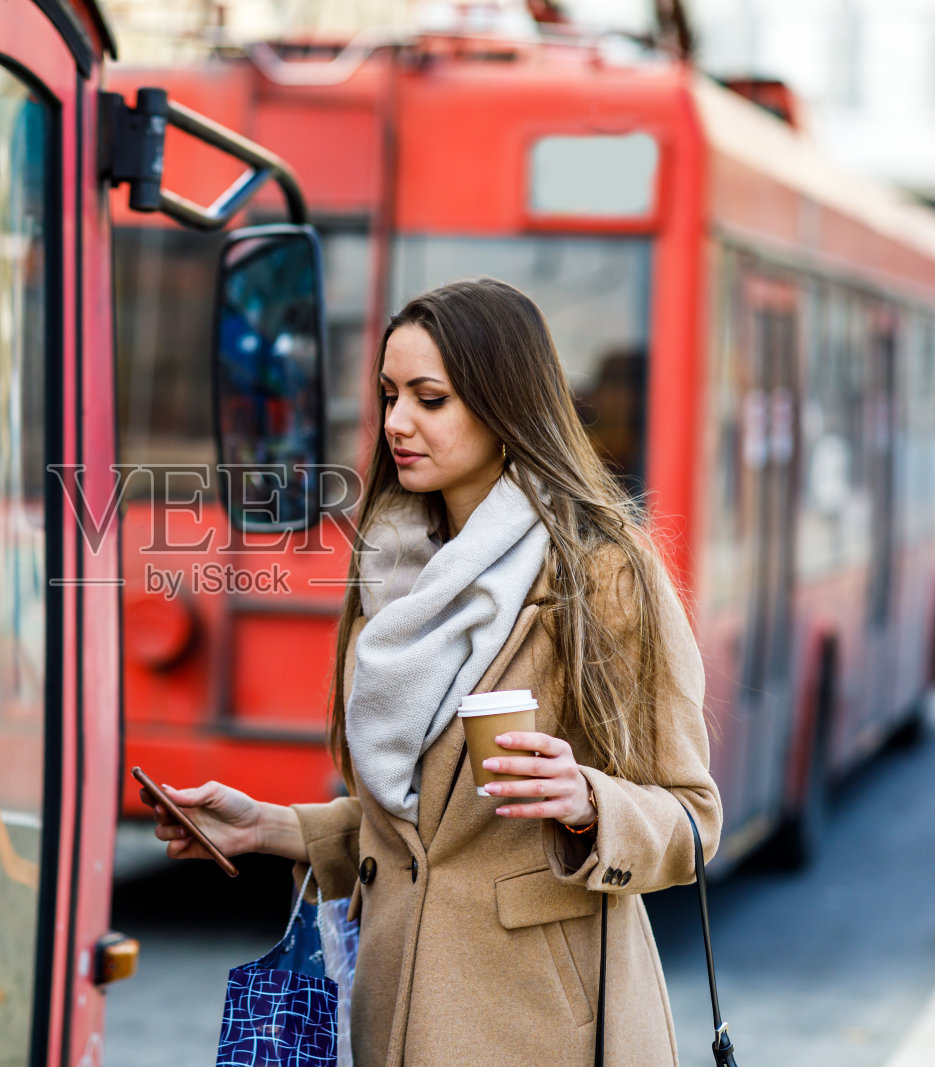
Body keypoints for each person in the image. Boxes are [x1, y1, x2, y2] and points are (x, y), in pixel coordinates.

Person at [143, 278, 721, 1066]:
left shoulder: (605, 573)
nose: (395, 423)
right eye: (388, 395)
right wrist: (268, 827)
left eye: (430, 398)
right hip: (391, 1019)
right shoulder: (393, 567)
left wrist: (590, 800)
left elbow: (693, 820)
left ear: (504, 404)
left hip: (542, 1030)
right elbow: (418, 838)